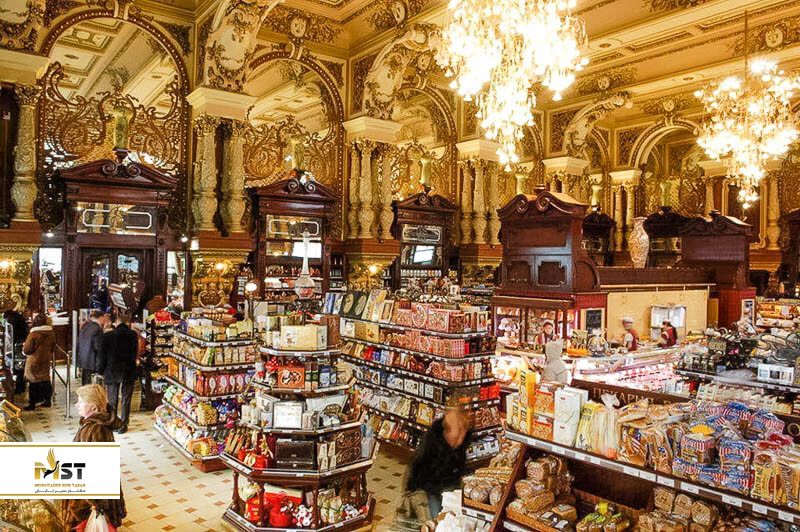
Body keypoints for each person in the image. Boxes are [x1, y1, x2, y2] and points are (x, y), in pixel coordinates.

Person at [61, 384, 126, 529]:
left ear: (94, 407)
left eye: (81, 402)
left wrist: (95, 503)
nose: (77, 405)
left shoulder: (95, 430)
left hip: (86, 501)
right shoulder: (96, 425)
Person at [406, 408, 472, 520]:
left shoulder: (462, 437)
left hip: (451, 486)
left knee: (453, 516)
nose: (459, 439)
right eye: (457, 435)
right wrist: (411, 489)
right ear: (447, 431)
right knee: (436, 518)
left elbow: (460, 464)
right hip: (432, 487)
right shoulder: (432, 439)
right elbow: (418, 464)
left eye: (462, 433)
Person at [98, 314, 138, 433]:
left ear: (117, 322)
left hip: (112, 369)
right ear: (128, 323)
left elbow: (102, 356)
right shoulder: (133, 335)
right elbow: (134, 353)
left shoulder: (108, 336)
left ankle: (113, 422)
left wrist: (100, 370)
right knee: (126, 398)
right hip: (128, 369)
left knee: (112, 399)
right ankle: (123, 424)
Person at [21, 314, 55, 411]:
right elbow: (53, 347)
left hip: (34, 361)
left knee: (33, 382)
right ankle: (47, 401)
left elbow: (27, 349)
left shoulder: (34, 334)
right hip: (45, 360)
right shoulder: (51, 333)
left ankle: (32, 403)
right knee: (45, 380)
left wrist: (23, 351)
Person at [77, 309, 107, 385]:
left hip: (84, 360)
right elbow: (98, 347)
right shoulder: (97, 329)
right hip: (93, 361)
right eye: (105, 318)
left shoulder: (85, 326)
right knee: (93, 386)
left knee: (86, 384)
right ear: (101, 317)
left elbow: (78, 343)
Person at [3, 309, 29, 394]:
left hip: (17, 347)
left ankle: (18, 388)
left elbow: (13, 337)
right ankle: (20, 387)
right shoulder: (20, 320)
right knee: (20, 369)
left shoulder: (14, 323)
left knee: (18, 368)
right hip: (21, 346)